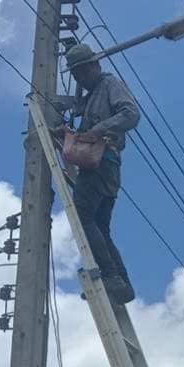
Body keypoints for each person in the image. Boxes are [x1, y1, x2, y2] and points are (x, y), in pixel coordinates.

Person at [62, 41, 140, 305]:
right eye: (75, 75)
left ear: (95, 65)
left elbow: (130, 114)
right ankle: (122, 283)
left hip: (102, 162)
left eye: (83, 72)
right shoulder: (91, 95)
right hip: (104, 165)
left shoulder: (109, 85)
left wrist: (97, 131)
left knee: (83, 215)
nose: (80, 79)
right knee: (101, 226)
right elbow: (83, 120)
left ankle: (110, 277)